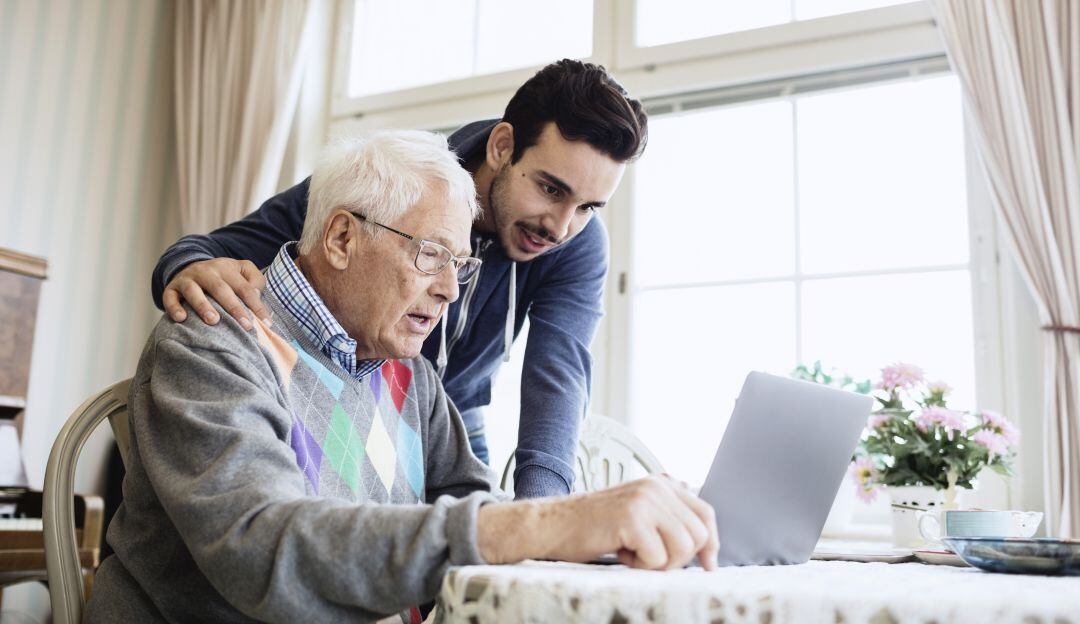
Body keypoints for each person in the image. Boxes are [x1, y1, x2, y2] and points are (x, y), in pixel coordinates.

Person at [88, 131, 717, 623]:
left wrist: (591, 532)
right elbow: (263, 549)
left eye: (460, 264)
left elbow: (472, 505)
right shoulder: (212, 342)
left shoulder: (408, 373)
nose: (449, 290)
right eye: (431, 254)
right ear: (340, 237)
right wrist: (545, 524)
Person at [150, 59, 646, 499]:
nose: (560, 227)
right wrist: (187, 268)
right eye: (551, 189)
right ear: (502, 147)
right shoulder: (397, 184)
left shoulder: (576, 242)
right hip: (353, 402)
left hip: (452, 422)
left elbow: (559, 374)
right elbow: (215, 250)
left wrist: (542, 514)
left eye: (588, 206)